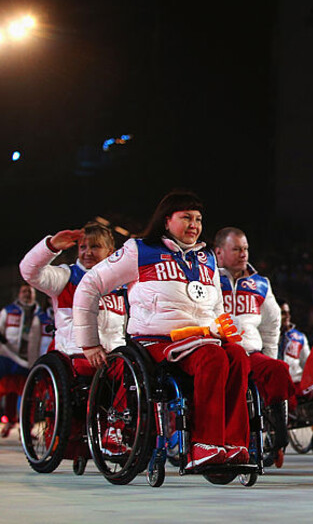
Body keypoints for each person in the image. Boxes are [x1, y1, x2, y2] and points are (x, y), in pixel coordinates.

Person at [73, 191, 250, 470]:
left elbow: (215, 305)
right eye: (186, 218)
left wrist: (221, 328)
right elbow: (89, 285)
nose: (194, 224)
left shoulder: (206, 259)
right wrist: (90, 343)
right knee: (213, 358)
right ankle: (204, 444)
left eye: (198, 219)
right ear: (167, 220)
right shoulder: (139, 250)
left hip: (202, 339)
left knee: (238, 355)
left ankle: (233, 443)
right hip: (155, 342)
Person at [215, 227, 296, 463]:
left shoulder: (260, 283)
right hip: (217, 352)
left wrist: (271, 356)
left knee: (278, 369)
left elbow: (272, 325)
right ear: (219, 253)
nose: (243, 254)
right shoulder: (206, 279)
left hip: (251, 352)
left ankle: (277, 433)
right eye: (237, 249)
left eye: (246, 249)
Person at [19, 223, 128, 376]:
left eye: (95, 247)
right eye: (83, 247)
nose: (88, 252)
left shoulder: (121, 284)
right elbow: (28, 271)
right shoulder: (66, 276)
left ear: (110, 252)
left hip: (114, 357)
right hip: (75, 357)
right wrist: (50, 247)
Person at [0, 284, 49, 436]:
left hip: (29, 360)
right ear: (18, 294)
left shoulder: (42, 315)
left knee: (28, 393)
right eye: (24, 291)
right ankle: (9, 421)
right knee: (5, 389)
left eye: (30, 291)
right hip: (7, 357)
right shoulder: (7, 311)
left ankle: (26, 426)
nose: (27, 294)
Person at [278, 302, 311, 386]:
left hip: (295, 384)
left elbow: (307, 364)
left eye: (288, 313)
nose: (287, 316)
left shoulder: (300, 337)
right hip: (273, 383)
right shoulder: (265, 335)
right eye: (283, 313)